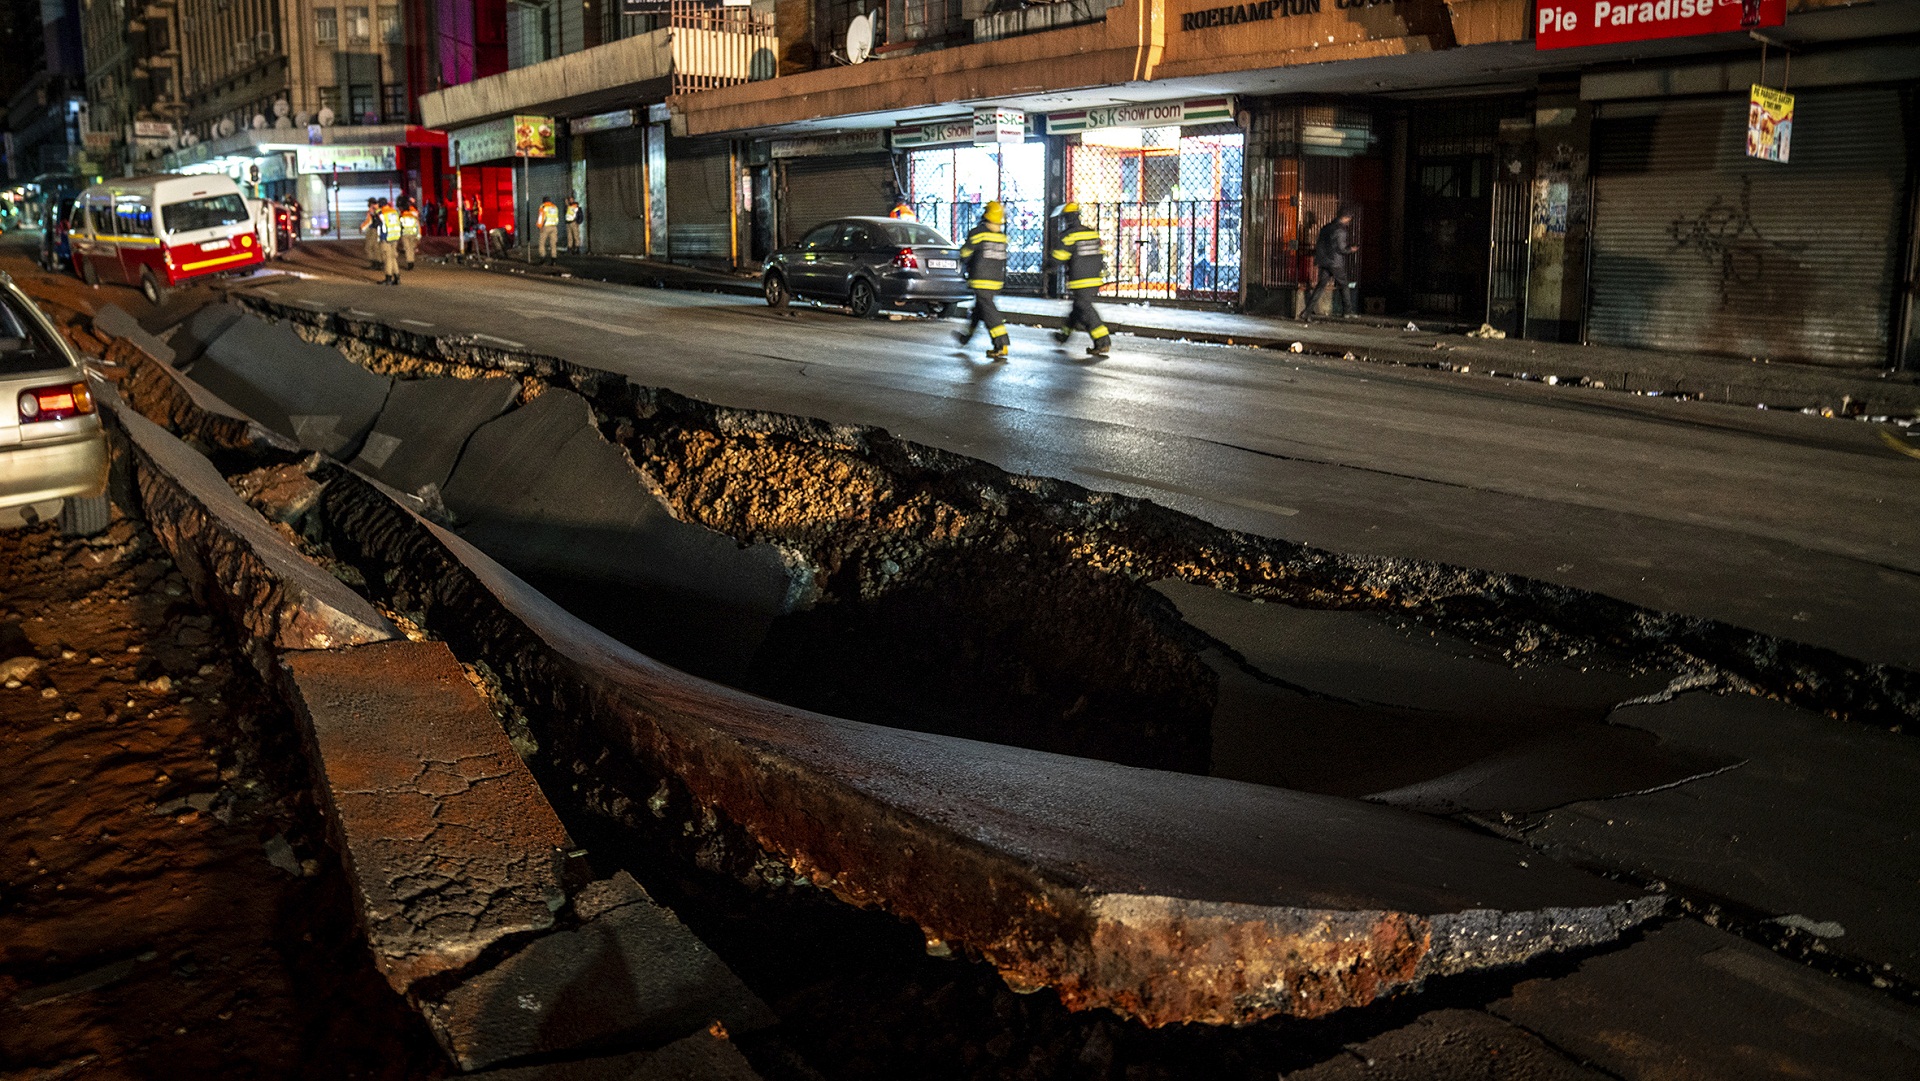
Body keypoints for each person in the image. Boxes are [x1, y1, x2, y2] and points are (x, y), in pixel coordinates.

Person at [1050, 203, 1111, 357]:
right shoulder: (1091, 233)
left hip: (1080, 280)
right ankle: (1063, 335)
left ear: (1066, 218)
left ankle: (1102, 341)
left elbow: (1059, 257)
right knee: (1078, 309)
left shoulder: (1069, 235)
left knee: (1084, 308)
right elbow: (1100, 254)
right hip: (1094, 278)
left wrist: (1047, 267)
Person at [953, 201, 1010, 360]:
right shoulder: (1001, 237)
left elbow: (964, 254)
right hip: (996, 280)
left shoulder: (978, 233)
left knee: (989, 312)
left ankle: (1001, 343)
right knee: (979, 310)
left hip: (980, 279)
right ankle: (966, 337)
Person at [1307, 207, 1358, 318]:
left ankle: (1307, 312)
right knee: (1344, 284)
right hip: (1335, 262)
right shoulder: (1340, 230)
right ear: (1345, 218)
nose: (1349, 221)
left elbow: (1319, 244)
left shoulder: (1326, 228)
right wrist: (1351, 249)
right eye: (1349, 219)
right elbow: (1341, 248)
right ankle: (1347, 311)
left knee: (1320, 286)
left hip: (1324, 261)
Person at [376, 198, 402, 285]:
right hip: (394, 236)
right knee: (392, 257)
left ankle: (388, 278)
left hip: (386, 237)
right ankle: (397, 277)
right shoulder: (394, 211)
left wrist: (376, 209)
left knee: (387, 258)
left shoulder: (381, 212)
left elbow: (379, 219)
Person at [397, 197, 421, 270]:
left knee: (407, 249)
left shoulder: (402, 216)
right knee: (411, 248)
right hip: (413, 234)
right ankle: (412, 261)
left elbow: (399, 225)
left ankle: (410, 263)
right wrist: (419, 235)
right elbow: (418, 225)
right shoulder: (414, 215)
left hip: (405, 234)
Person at [535, 197, 560, 263]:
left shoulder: (543, 207)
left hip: (545, 227)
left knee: (542, 243)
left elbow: (541, 217)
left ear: (543, 201)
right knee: (553, 244)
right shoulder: (554, 207)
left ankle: (542, 258)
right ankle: (553, 259)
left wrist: (540, 226)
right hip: (554, 227)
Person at [361, 198, 381, 267]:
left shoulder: (371, 210)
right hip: (378, 230)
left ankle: (374, 263)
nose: (367, 204)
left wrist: (362, 228)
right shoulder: (379, 210)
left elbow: (369, 221)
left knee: (368, 247)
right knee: (376, 247)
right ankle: (378, 263)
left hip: (373, 230)